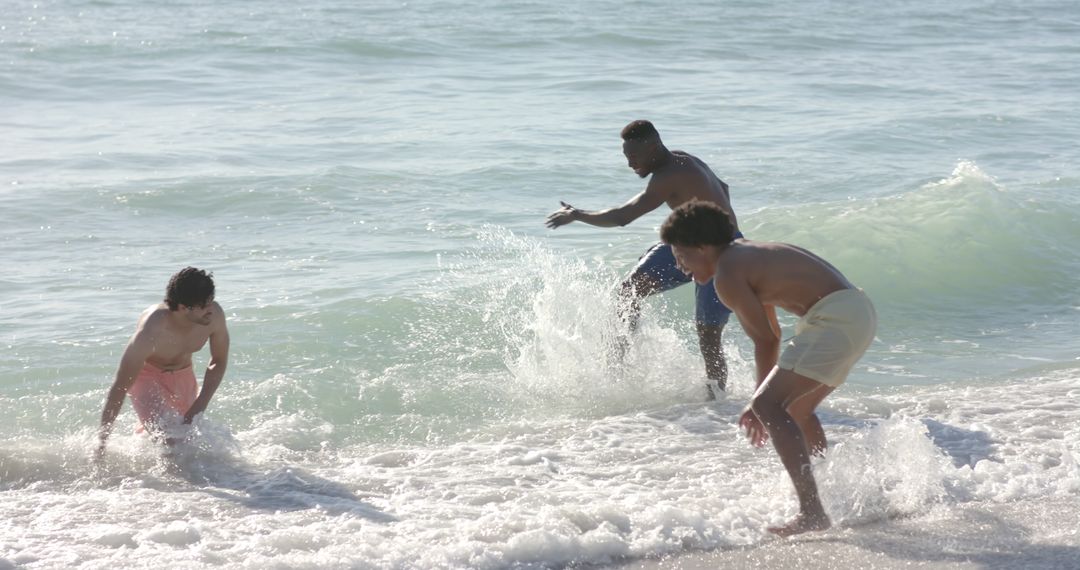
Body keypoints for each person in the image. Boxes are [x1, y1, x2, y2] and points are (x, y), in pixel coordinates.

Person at [660, 201, 876, 537]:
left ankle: (812, 512)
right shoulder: (744, 255)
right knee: (797, 410)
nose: (679, 265)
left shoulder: (728, 274)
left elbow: (764, 341)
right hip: (855, 313)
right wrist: (765, 398)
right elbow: (772, 335)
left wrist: (760, 401)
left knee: (769, 405)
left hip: (834, 319)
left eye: (681, 255)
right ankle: (832, 495)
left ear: (702, 248)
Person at [546, 120, 741, 398]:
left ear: (653, 147)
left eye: (634, 157)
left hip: (723, 252)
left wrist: (577, 215)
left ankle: (717, 403)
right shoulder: (684, 159)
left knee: (708, 335)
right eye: (627, 157)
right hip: (688, 245)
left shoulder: (667, 176)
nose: (630, 164)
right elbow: (723, 187)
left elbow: (623, 217)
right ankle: (615, 375)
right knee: (628, 292)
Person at [95, 267, 230, 458]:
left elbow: (219, 360)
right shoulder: (151, 329)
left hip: (184, 376)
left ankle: (143, 448)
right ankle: (173, 486)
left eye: (211, 301)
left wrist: (200, 405)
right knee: (171, 442)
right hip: (147, 377)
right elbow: (120, 386)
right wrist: (102, 443)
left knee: (190, 438)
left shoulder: (214, 315)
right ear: (184, 307)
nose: (211, 310)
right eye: (204, 306)